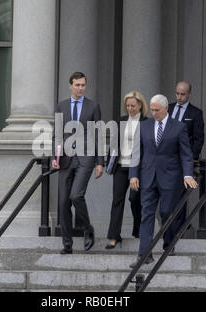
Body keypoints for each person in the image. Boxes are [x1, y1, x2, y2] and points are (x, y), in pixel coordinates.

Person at [128, 95, 197, 267]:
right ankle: (144, 254)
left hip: (170, 177)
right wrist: (133, 175)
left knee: (166, 212)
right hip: (148, 177)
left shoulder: (178, 127)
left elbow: (186, 154)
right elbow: (136, 153)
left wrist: (187, 175)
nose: (154, 113)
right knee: (147, 214)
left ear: (166, 109)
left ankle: (169, 243)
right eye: (152, 109)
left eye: (157, 110)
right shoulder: (144, 126)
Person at [52, 72, 104, 255]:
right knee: (63, 202)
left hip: (86, 157)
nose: (81, 88)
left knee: (76, 196)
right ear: (70, 85)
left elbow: (98, 134)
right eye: (77, 85)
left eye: (83, 85)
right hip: (66, 158)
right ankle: (67, 244)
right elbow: (57, 134)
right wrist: (54, 157)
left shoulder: (93, 106)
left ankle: (87, 227)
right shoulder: (62, 106)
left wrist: (100, 162)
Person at [105, 91, 148, 249]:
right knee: (117, 200)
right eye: (127, 106)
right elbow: (114, 144)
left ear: (140, 106)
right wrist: (109, 163)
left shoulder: (146, 123)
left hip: (138, 167)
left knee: (135, 199)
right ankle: (113, 236)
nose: (130, 108)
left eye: (133, 106)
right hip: (121, 166)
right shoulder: (120, 121)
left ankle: (138, 229)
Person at [168, 81, 205, 161]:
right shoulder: (168, 108)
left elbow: (198, 138)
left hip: (184, 157)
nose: (179, 97)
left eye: (182, 94)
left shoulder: (196, 113)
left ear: (189, 94)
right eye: (177, 93)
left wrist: (191, 157)